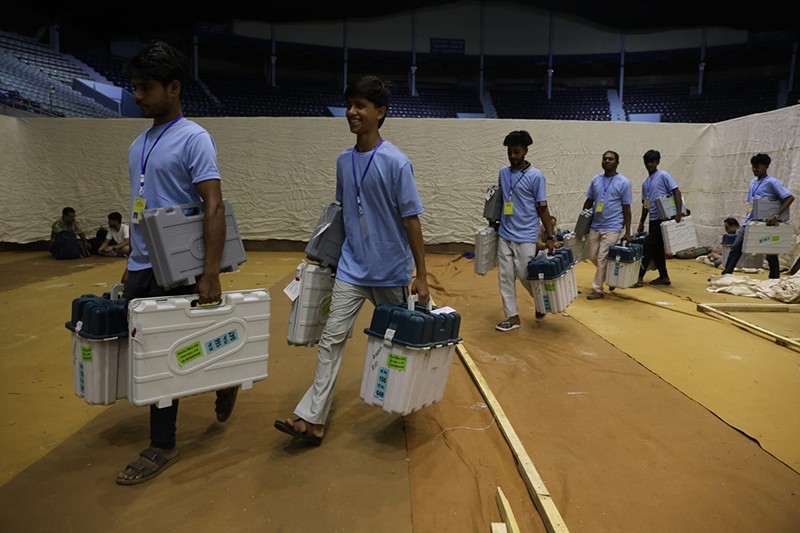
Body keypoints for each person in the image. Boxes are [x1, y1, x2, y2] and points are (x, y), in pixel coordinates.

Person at [274, 75, 429, 445]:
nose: (352, 112)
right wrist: (321, 256)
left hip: (390, 272)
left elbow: (411, 220)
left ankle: (407, 400)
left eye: (361, 106)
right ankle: (313, 419)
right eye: (350, 104)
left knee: (397, 344)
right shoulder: (343, 161)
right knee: (331, 339)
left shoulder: (396, 162)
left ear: (380, 113)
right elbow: (342, 213)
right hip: (350, 269)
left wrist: (422, 273)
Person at [115, 40, 238, 485]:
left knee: (167, 353)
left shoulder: (194, 138)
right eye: (134, 87)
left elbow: (213, 205)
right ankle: (225, 375)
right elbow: (138, 207)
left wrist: (209, 271)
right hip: (144, 265)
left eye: (146, 87)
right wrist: (130, 261)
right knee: (150, 350)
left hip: (181, 267)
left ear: (174, 87)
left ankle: (162, 443)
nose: (137, 95)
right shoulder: (137, 144)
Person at [493, 130, 556, 332]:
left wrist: (550, 236)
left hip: (526, 235)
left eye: (517, 152)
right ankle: (512, 316)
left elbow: (542, 208)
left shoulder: (536, 177)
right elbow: (501, 200)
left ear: (526, 151)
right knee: (505, 276)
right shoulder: (503, 173)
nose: (512, 156)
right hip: (505, 233)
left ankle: (541, 301)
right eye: (510, 152)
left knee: (524, 273)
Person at [721, 153, 794, 279]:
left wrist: (776, 216)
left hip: (766, 223)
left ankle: (774, 277)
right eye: (753, 167)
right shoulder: (752, 182)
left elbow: (789, 197)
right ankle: (727, 273)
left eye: (757, 167)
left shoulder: (772, 182)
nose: (755, 170)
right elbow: (751, 203)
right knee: (736, 247)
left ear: (766, 167)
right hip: (751, 221)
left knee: (770, 251)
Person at [582, 150, 633, 299]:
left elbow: (626, 208)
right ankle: (610, 276)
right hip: (595, 225)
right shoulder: (596, 180)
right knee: (592, 256)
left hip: (613, 226)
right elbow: (589, 201)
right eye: (605, 159)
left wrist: (628, 231)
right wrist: (582, 222)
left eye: (611, 159)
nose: (607, 161)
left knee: (602, 257)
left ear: (617, 163)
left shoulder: (624, 182)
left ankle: (597, 289)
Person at [632, 149, 683, 287]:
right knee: (657, 249)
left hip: (665, 218)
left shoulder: (663, 175)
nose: (649, 164)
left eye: (652, 161)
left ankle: (638, 277)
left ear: (657, 162)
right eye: (647, 162)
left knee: (648, 246)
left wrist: (678, 212)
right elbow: (646, 204)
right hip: (653, 219)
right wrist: (642, 222)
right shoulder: (645, 183)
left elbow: (676, 191)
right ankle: (664, 276)